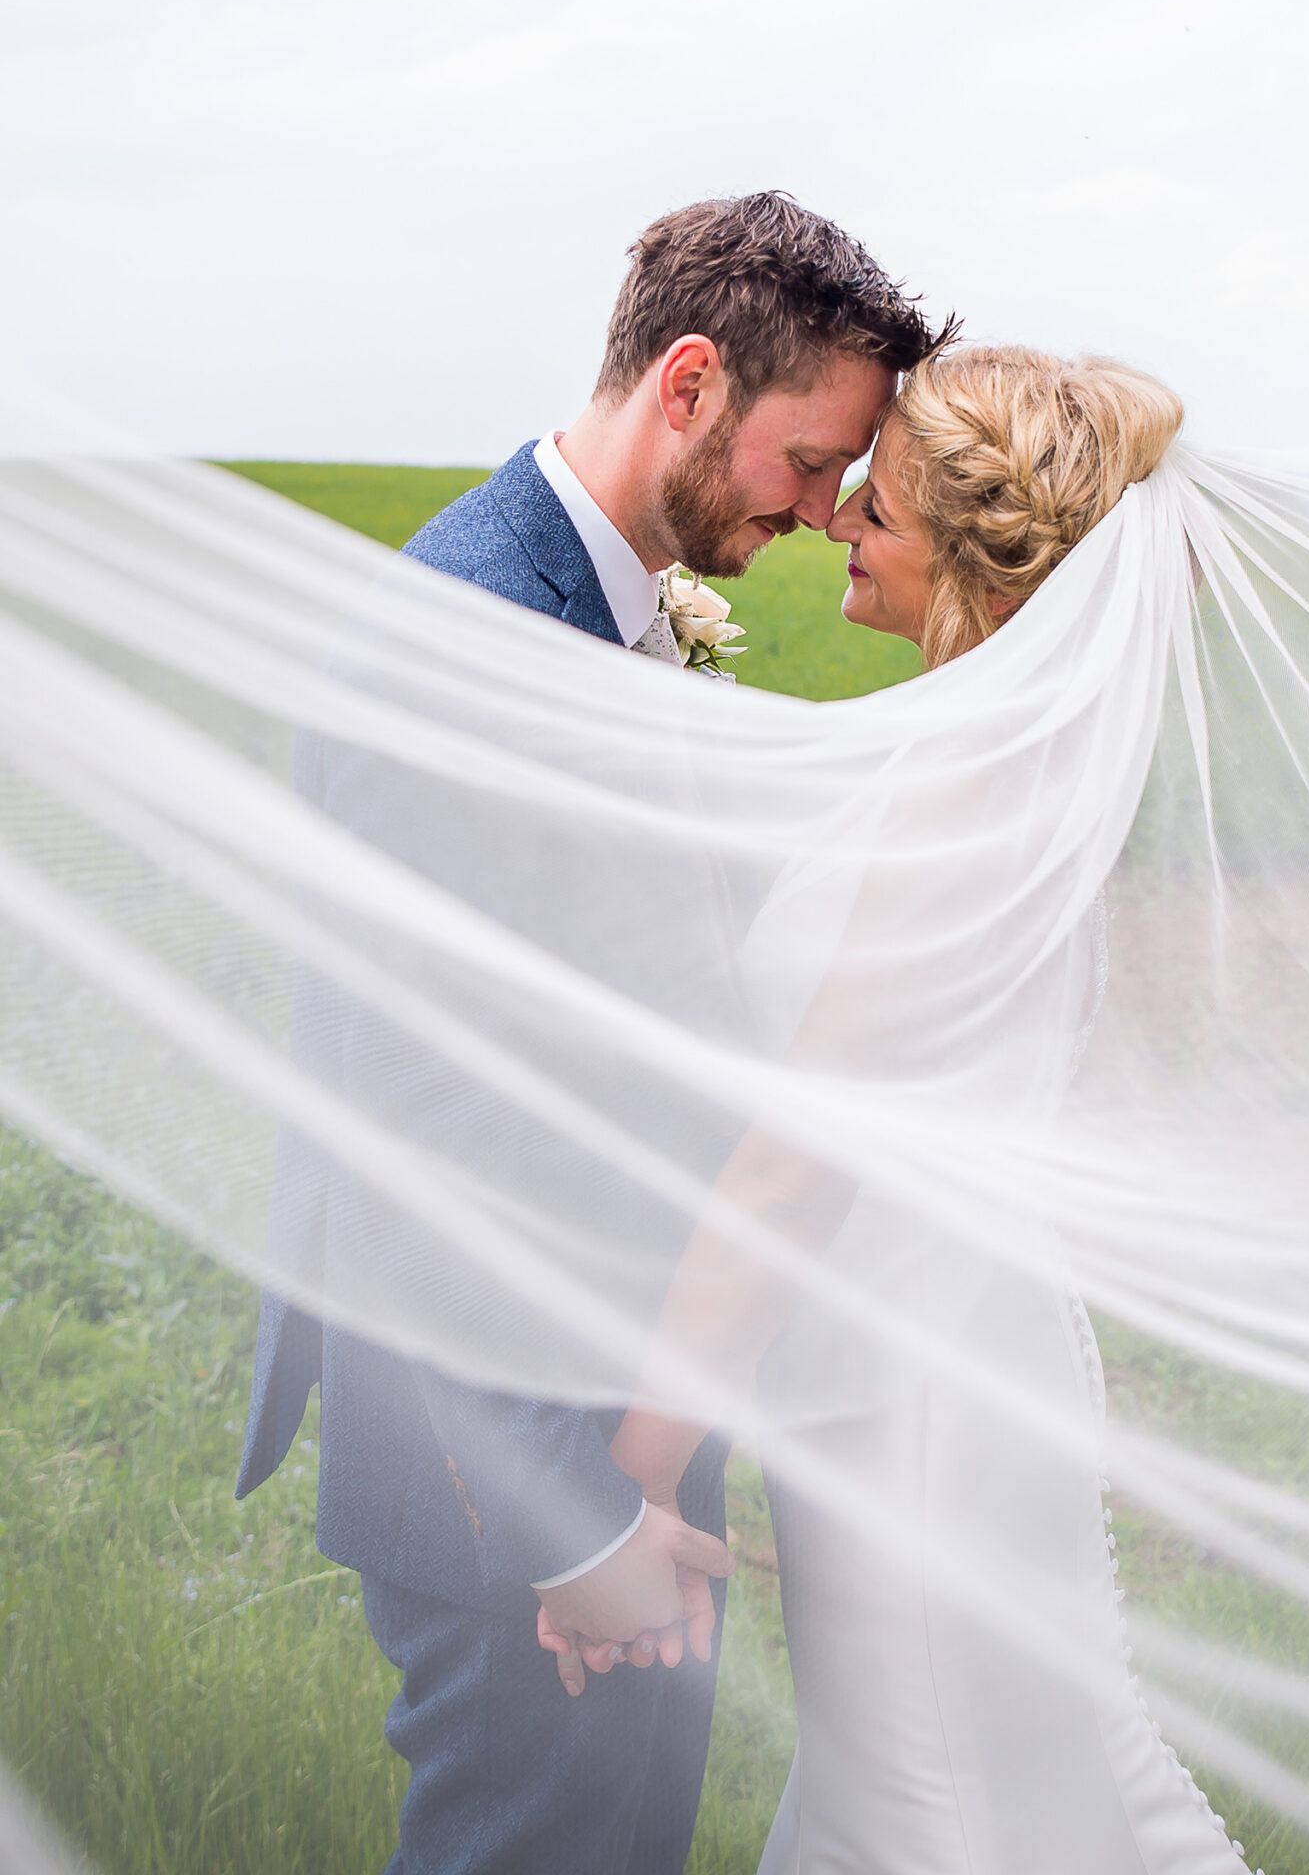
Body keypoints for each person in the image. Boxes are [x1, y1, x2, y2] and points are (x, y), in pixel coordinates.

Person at [236, 191, 952, 1875]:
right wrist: (574, 1527)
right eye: (809, 460)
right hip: (506, 1460)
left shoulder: (613, 604)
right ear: (690, 383)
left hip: (616, 1401)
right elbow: (416, 1124)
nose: (819, 512)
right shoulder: (471, 641)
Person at [543, 346, 1251, 1873]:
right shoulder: (989, 750)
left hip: (913, 1398)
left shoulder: (962, 795)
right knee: (1028, 1787)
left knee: (928, 1800)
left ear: (981, 558)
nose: (843, 508)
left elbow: (800, 1167)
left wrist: (626, 1476)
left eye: (890, 496)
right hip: (931, 1350)